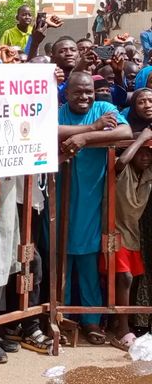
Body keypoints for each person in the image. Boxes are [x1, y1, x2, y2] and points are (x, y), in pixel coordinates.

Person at [58, 71, 132, 344]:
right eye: (78, 92)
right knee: (60, 258)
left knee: (89, 259)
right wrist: (92, 129)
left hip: (93, 196)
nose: (85, 97)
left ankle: (91, 320)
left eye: (89, 91)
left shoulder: (104, 107)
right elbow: (50, 131)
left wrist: (86, 140)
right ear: (67, 93)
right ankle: (61, 318)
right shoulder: (59, 112)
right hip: (60, 195)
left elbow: (124, 131)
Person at [100, 115, 152, 351]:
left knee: (133, 279)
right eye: (142, 152)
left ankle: (122, 321)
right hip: (114, 230)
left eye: (149, 153)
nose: (145, 157)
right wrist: (142, 137)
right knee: (124, 277)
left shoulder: (147, 175)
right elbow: (121, 162)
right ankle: (121, 328)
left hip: (132, 233)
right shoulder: (126, 169)